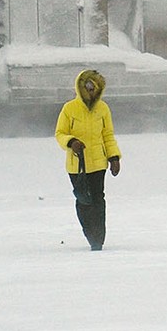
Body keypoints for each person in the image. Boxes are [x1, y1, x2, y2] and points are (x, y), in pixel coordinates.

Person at [54, 69, 122, 251]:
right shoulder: (69, 109)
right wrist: (72, 142)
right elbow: (60, 134)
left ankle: (98, 239)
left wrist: (114, 157)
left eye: (93, 87)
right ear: (80, 87)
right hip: (77, 166)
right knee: (84, 200)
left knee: (98, 199)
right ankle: (89, 232)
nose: (90, 90)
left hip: (99, 164)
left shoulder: (103, 109)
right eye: (87, 87)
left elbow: (108, 135)